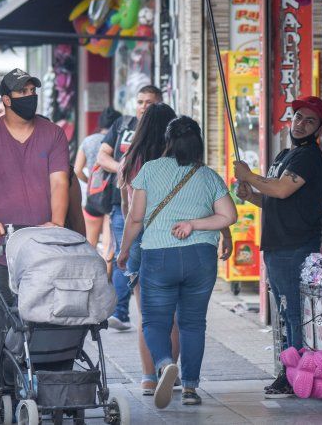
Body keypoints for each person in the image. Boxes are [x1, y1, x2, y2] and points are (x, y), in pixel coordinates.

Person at [0, 68, 70, 417]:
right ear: (6, 100)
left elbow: (60, 182)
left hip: (43, 249)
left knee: (49, 323)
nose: (29, 96)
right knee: (0, 329)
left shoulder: (53, 134)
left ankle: (51, 389)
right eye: (22, 92)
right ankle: (1, 395)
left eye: (32, 90)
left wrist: (56, 222)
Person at [117, 116, 237, 409]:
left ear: (168, 141)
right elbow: (229, 216)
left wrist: (123, 250)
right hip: (200, 258)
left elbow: (135, 218)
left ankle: (164, 363)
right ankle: (191, 388)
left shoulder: (150, 170)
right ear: (197, 143)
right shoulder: (208, 176)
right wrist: (195, 224)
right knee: (193, 323)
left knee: (154, 320)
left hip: (159, 255)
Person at [234, 95, 322, 398]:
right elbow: (272, 199)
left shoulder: (308, 157)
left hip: (294, 246)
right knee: (286, 313)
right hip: (278, 246)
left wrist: (249, 175)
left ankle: (295, 375)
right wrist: (250, 194)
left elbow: (282, 189)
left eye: (310, 121)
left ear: (320, 129)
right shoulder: (286, 155)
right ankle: (290, 371)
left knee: (293, 313)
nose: (301, 124)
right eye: (298, 117)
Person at [118, 103, 183, 396]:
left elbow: (128, 210)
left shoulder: (131, 160)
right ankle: (170, 371)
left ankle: (148, 378)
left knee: (147, 314)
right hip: (174, 237)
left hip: (141, 239)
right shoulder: (180, 160)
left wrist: (123, 248)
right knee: (173, 314)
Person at [97, 85, 163, 331]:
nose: (144, 106)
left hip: (157, 208)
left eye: (149, 102)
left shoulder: (166, 129)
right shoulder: (123, 125)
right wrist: (124, 169)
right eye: (140, 101)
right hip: (121, 202)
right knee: (124, 257)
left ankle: (149, 315)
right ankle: (121, 312)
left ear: (160, 104)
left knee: (147, 260)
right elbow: (102, 156)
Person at [74, 107, 121, 246]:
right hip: (112, 195)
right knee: (109, 244)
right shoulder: (117, 140)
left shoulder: (88, 141)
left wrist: (90, 181)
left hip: (94, 194)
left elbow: (77, 170)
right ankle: (106, 261)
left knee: (89, 242)